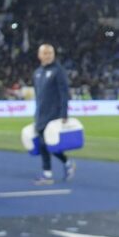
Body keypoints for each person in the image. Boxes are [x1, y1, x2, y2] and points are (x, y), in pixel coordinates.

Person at [33, 44, 75, 184]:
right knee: (44, 144)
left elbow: (64, 93)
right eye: (45, 53)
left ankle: (47, 174)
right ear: (39, 55)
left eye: (50, 53)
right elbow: (38, 96)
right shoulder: (37, 72)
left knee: (46, 144)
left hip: (54, 114)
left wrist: (64, 113)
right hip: (41, 114)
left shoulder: (58, 71)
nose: (48, 55)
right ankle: (67, 163)